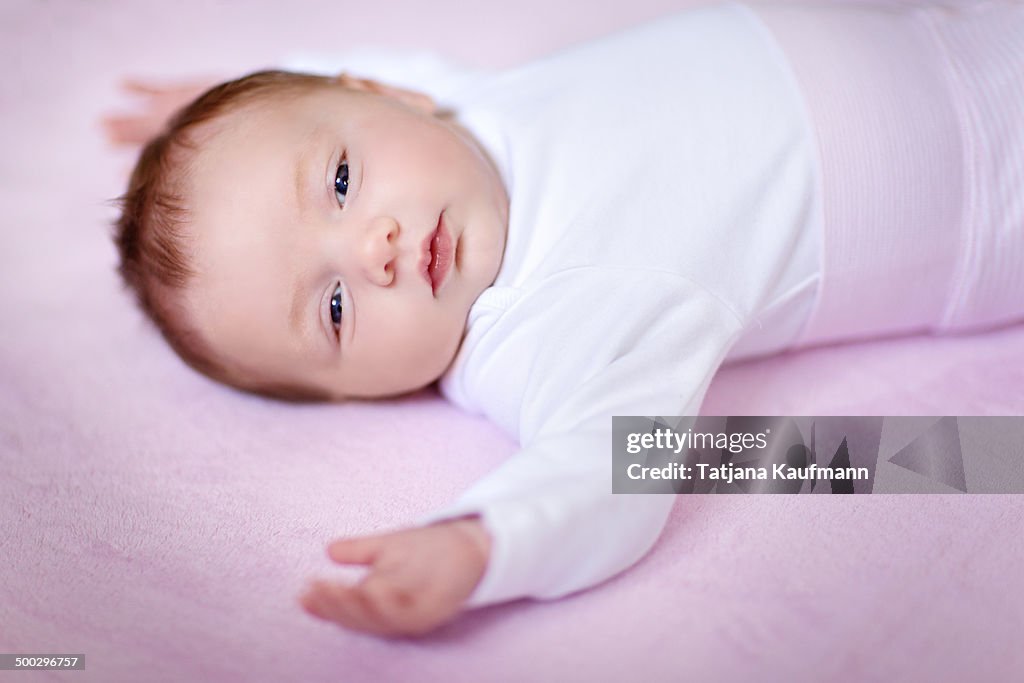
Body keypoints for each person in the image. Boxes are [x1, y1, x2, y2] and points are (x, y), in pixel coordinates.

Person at [102, 0, 1024, 637]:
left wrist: (221, 104)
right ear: (362, 395)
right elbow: (608, 469)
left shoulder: (459, 110)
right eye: (335, 307)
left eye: (341, 183)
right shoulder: (538, 336)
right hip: (989, 198)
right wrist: (485, 538)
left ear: (386, 98)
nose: (372, 247)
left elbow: (319, 102)